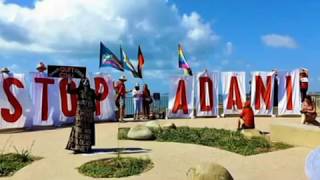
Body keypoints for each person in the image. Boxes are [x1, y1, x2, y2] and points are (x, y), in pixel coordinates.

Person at [65, 77, 102, 153]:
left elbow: (98, 98)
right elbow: (68, 91)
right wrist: (69, 83)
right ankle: (77, 147)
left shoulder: (92, 91)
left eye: (87, 81)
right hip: (80, 113)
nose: (86, 82)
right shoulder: (79, 90)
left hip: (89, 114)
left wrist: (100, 92)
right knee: (79, 129)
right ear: (81, 82)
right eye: (84, 81)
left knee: (88, 130)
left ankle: (87, 147)